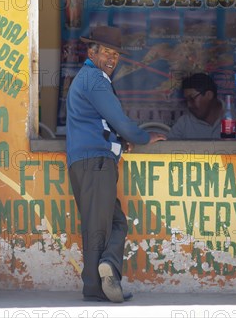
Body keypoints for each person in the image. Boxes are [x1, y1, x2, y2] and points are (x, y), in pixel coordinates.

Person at [66, 26, 166, 303]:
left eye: (116, 54)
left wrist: (121, 141)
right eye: (106, 52)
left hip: (88, 161)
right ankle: (99, 280)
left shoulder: (88, 79)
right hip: (95, 162)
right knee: (101, 226)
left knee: (112, 223)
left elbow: (100, 123)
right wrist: (143, 137)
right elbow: (119, 120)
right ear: (91, 52)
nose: (112, 59)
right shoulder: (95, 79)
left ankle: (103, 274)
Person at [167, 73, 224, 139]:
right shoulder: (184, 124)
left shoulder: (234, 118)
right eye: (186, 101)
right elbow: (168, 147)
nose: (189, 105)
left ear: (209, 95)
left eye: (192, 99)